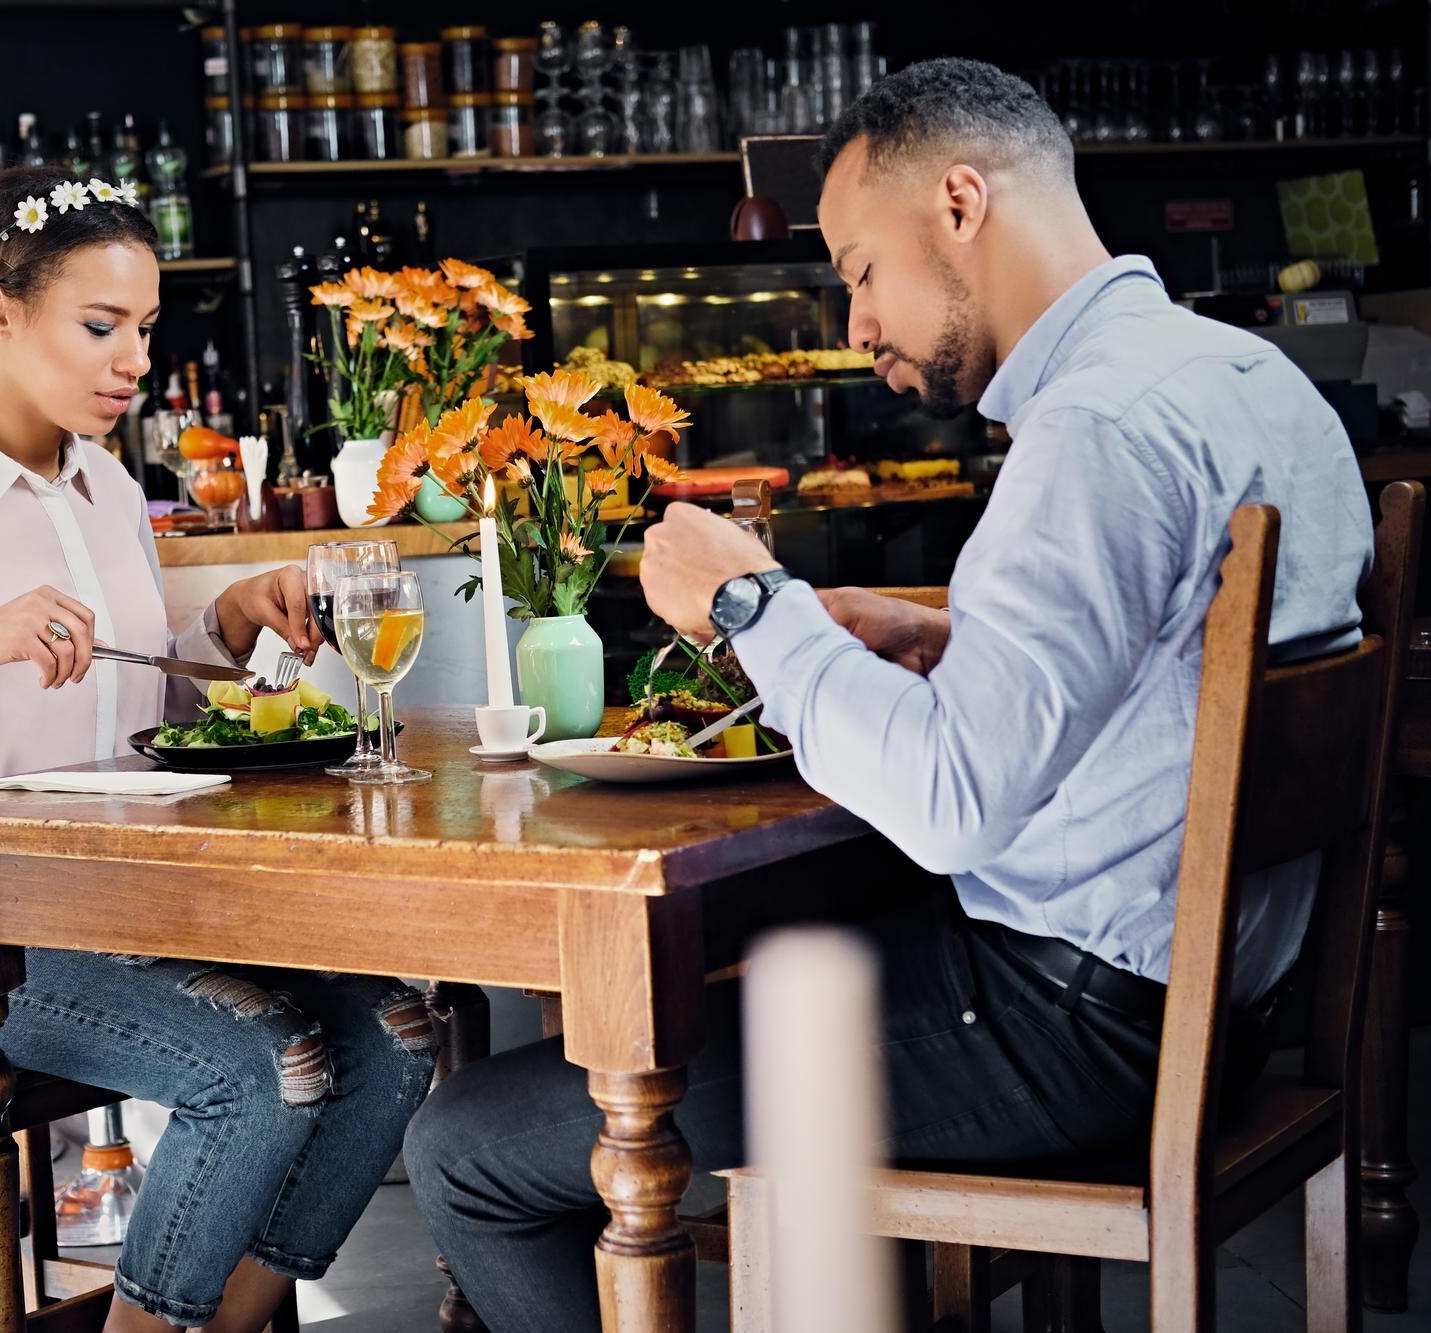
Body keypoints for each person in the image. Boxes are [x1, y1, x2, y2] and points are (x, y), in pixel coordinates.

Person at [403, 57, 1374, 1331]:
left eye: (860, 270)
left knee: (470, 1143)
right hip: (1215, 1008)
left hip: (1069, 1030)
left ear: (960, 203)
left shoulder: (1095, 427)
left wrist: (755, 605)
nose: (856, 325)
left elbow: (949, 805)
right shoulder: (1239, 378)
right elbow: (1182, 650)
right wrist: (940, 623)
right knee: (756, 983)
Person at [0, 164, 435, 1333]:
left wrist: (223, 626)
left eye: (142, 327)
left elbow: (124, 695)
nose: (134, 359)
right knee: (260, 1065)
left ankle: (222, 1323)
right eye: (100, 327)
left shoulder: (108, 490)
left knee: (392, 1034)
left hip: (131, 900)